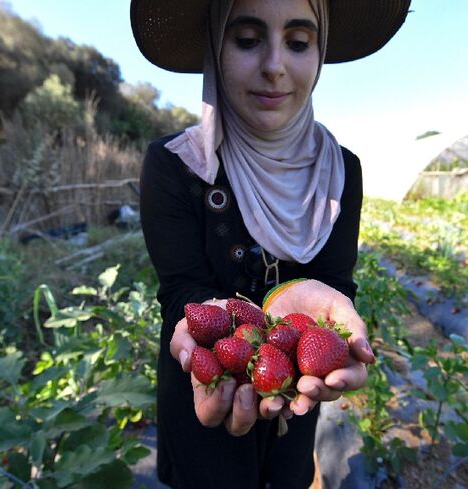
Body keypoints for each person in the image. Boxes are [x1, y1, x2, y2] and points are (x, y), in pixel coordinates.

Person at [132, 0, 410, 487]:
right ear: (216, 47)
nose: (275, 66)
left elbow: (336, 282)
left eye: (299, 42)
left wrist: (326, 306)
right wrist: (210, 323)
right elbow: (181, 290)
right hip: (205, 394)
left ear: (319, 53)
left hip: (295, 393)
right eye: (246, 39)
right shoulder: (176, 165)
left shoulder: (342, 170)